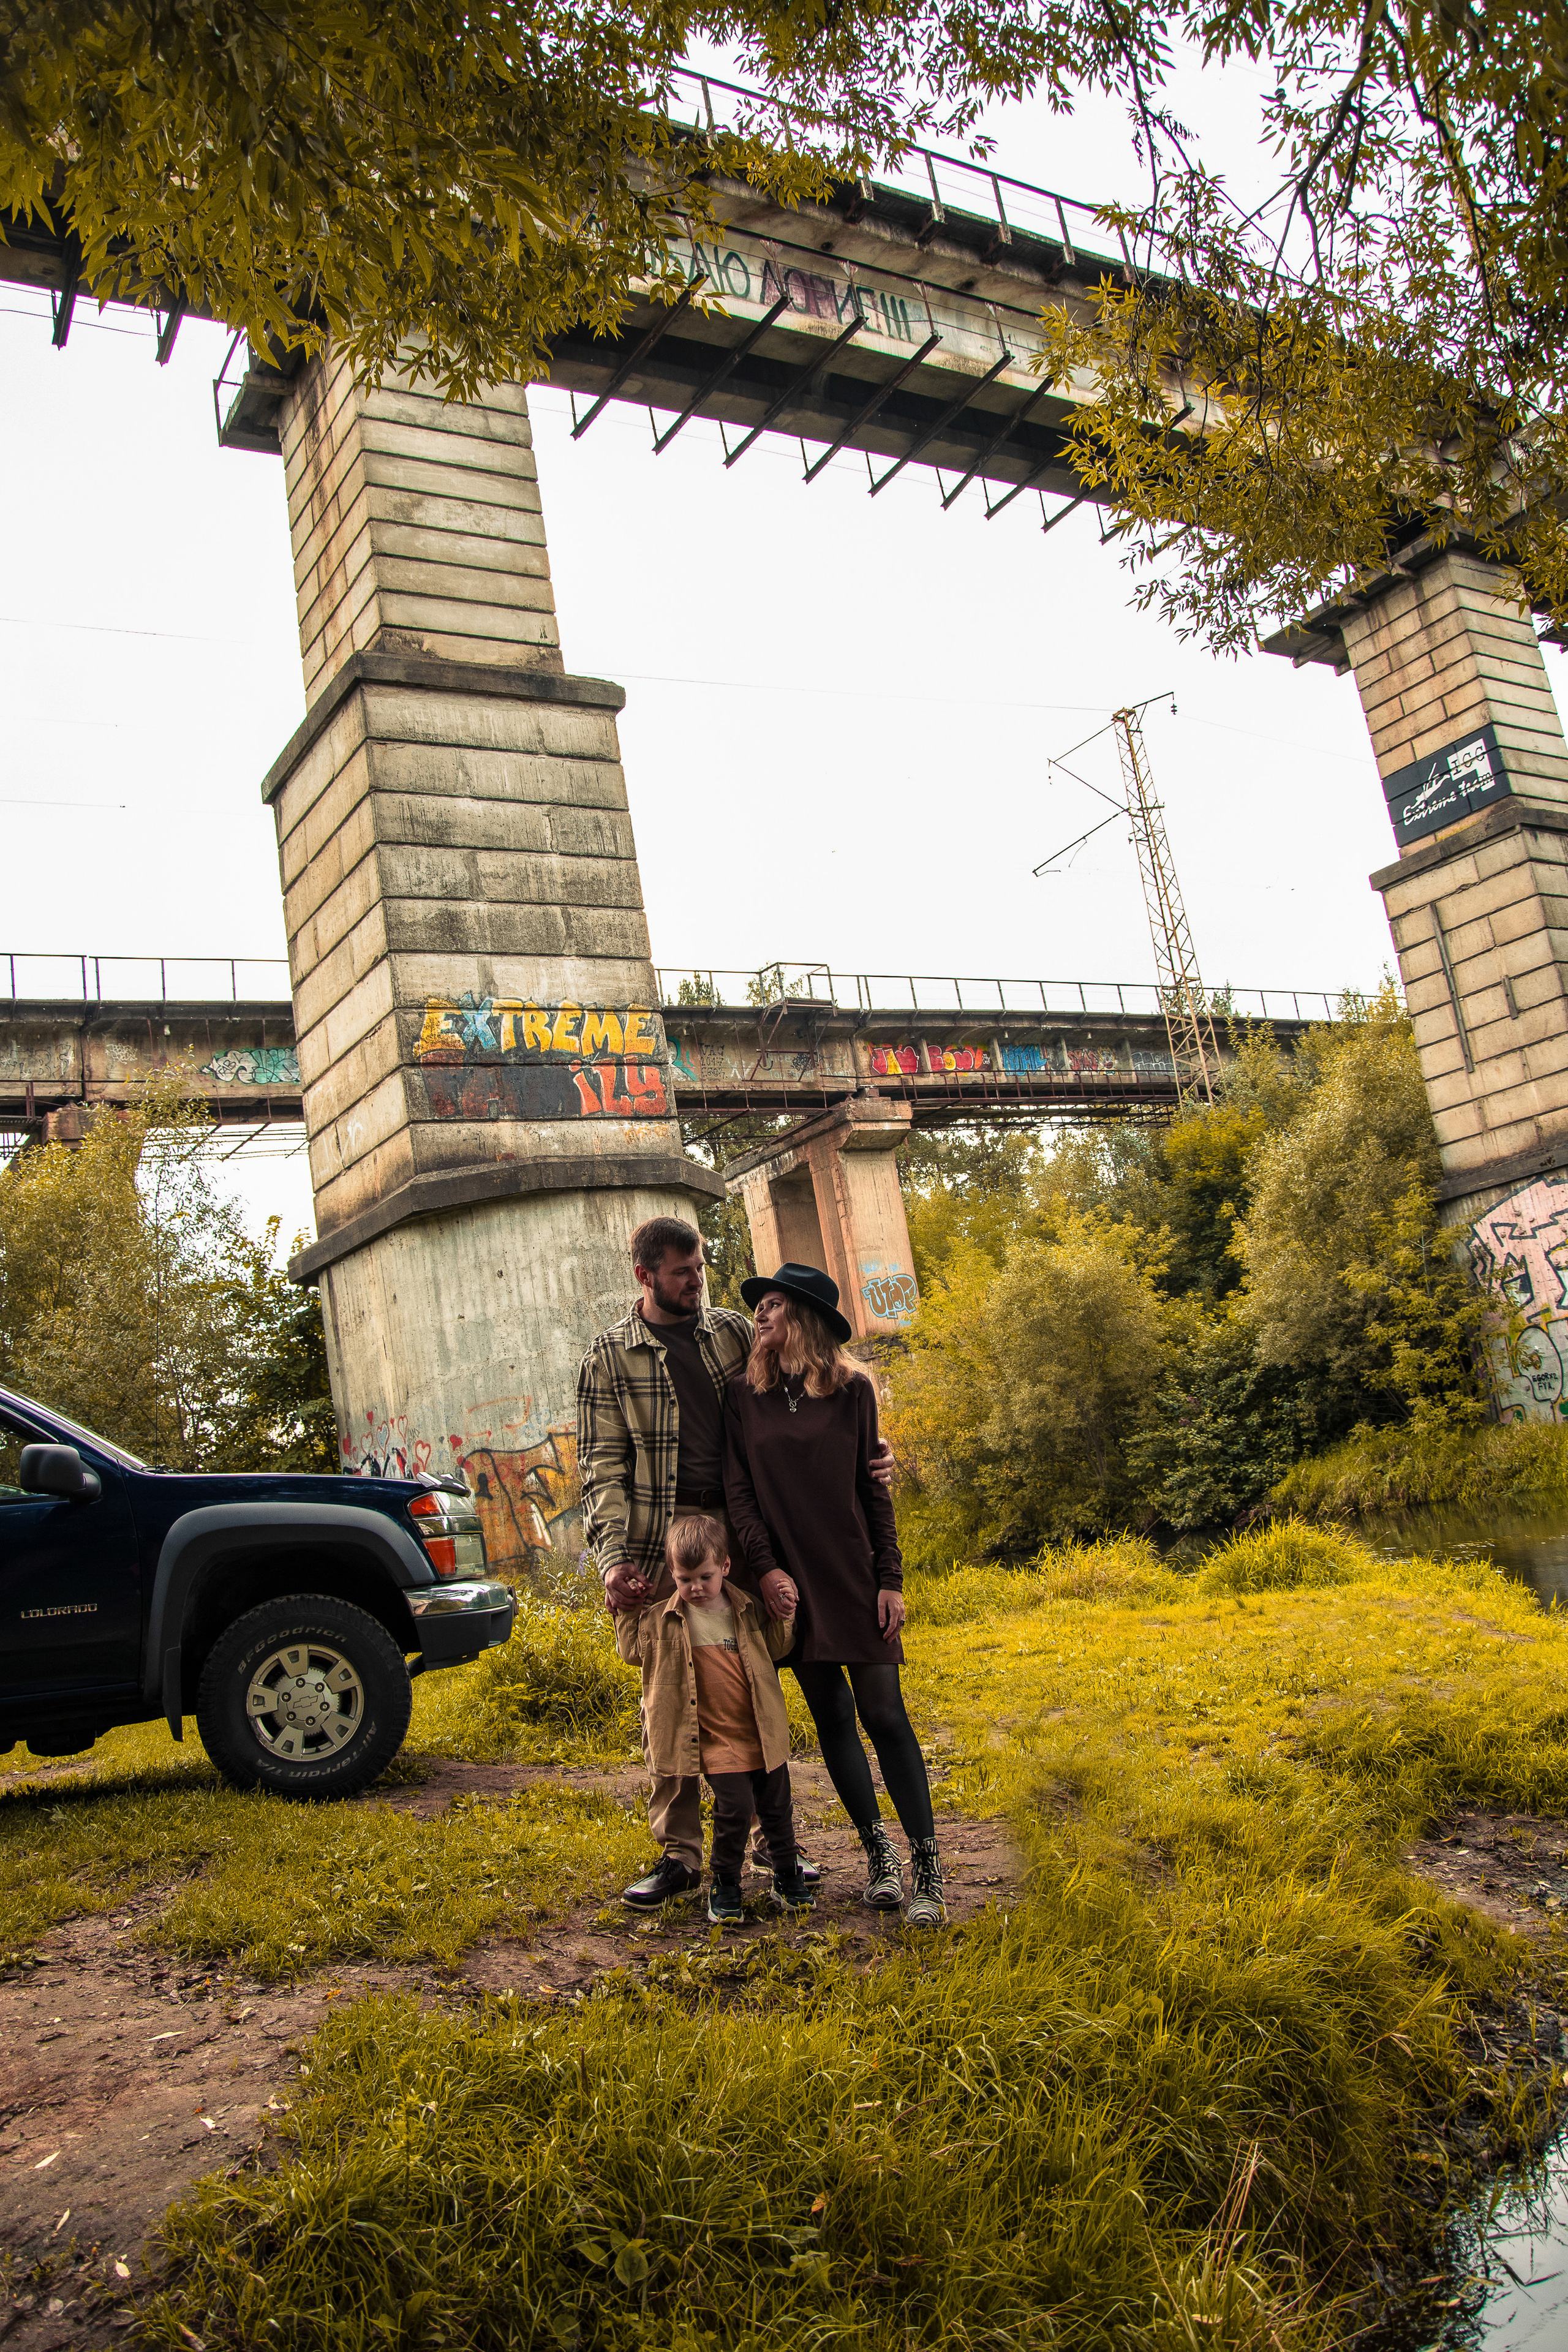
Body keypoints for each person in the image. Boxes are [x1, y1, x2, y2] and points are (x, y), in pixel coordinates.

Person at [577, 1215, 893, 1911]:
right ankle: (680, 1854)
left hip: (743, 1531)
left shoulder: (731, 1332)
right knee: (672, 1696)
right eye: (682, 1273)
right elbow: (600, 1466)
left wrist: (872, 1449)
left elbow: (810, 1385)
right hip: (662, 1541)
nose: (698, 1282)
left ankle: (771, 1843)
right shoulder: (609, 1355)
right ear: (645, 1276)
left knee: (750, 1682)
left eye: (700, 1268)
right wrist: (612, 1560)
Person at [723, 1261, 945, 1929]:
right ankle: (879, 1859)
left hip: (853, 1573)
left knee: (884, 1713)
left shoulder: (853, 1391)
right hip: (790, 1585)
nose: (760, 1313)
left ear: (806, 1318)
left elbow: (874, 1492)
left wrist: (890, 1579)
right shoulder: (742, 1396)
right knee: (832, 1718)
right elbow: (739, 1494)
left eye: (774, 1304)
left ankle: (928, 1870)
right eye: (759, 1304)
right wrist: (766, 1571)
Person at [613, 1512, 810, 1924]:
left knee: (777, 1809)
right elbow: (632, 1651)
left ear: (725, 1566)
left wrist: (786, 1615)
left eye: (705, 1577)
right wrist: (625, 1609)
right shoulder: (663, 1619)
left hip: (761, 1730)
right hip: (717, 1739)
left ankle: (787, 1874)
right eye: (685, 1580)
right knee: (734, 1810)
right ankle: (725, 1883)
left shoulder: (747, 1609)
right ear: (671, 1574)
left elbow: (776, 1648)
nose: (696, 1588)